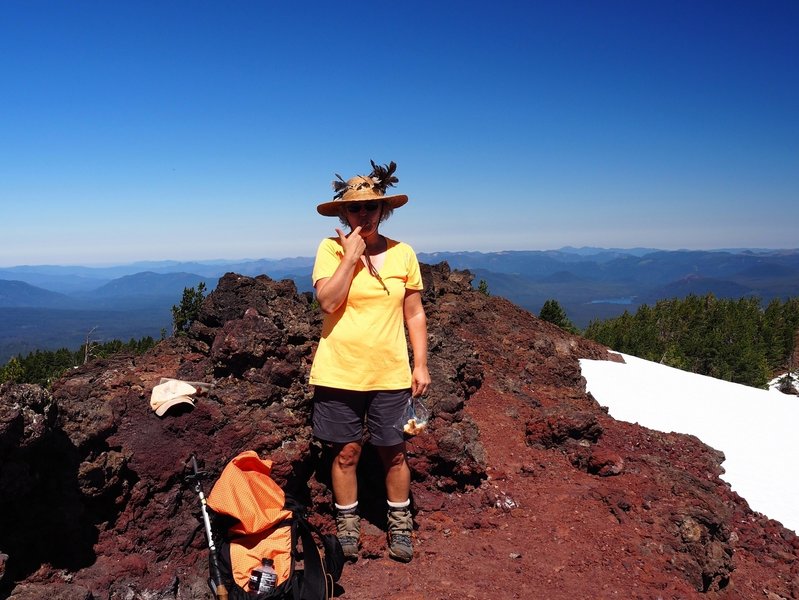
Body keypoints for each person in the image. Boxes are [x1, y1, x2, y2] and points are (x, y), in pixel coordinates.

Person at [309, 160, 431, 563]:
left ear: (384, 210)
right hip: (340, 371)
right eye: (356, 208)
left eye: (372, 207)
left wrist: (421, 364)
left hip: (390, 372)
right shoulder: (330, 250)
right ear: (344, 213)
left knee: (394, 452)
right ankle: (348, 527)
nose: (364, 214)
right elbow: (327, 302)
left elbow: (414, 314)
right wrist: (350, 257)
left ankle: (400, 523)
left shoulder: (404, 254)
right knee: (346, 454)